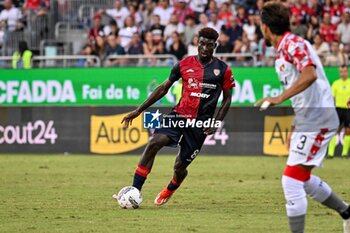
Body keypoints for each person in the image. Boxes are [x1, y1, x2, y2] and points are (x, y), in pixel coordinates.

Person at [255, 2, 350, 233]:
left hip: (319, 118)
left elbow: (309, 74)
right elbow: (304, 89)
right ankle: (347, 212)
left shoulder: (292, 43)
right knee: (302, 179)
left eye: (261, 26)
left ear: (266, 27)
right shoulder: (284, 49)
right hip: (309, 118)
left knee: (290, 181)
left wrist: (278, 98)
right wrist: (297, 123)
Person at [115, 27, 235, 206]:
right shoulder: (183, 64)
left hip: (200, 125)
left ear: (214, 46)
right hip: (178, 116)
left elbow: (227, 100)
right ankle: (134, 191)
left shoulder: (223, 70)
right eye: (201, 43)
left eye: (209, 45)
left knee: (180, 167)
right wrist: (139, 110)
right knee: (155, 142)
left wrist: (216, 122)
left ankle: (171, 187)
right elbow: (163, 88)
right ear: (197, 42)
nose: (204, 48)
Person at [328, 65, 350, 158]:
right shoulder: (336, 83)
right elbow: (331, 97)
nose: (343, 73)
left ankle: (344, 154)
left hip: (348, 110)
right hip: (338, 109)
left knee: (348, 131)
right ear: (339, 72)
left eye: (345, 71)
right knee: (334, 130)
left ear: (347, 72)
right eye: (341, 71)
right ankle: (330, 153)